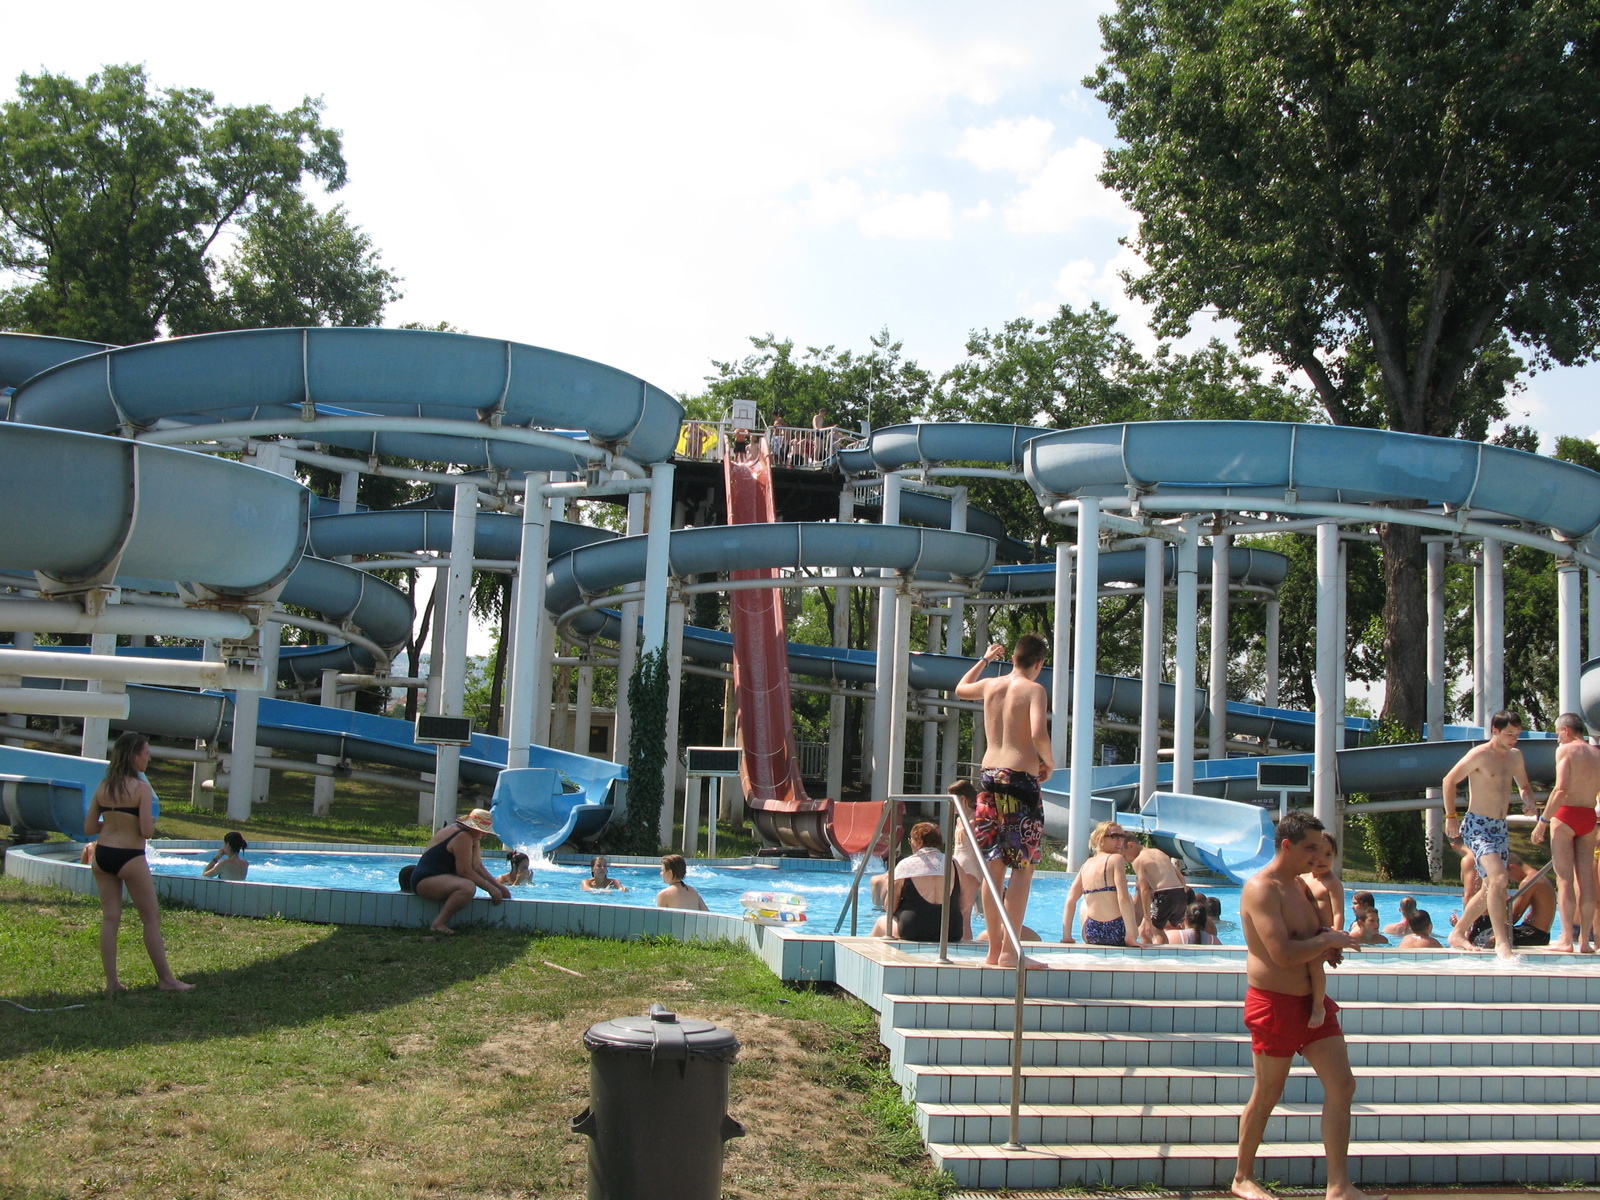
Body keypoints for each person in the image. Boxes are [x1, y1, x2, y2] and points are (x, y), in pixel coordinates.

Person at [1231, 810, 1371, 1200]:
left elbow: (1312, 937)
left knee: (1343, 1085)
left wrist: (1332, 942)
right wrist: (1325, 943)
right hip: (1274, 1004)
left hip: (1314, 1003)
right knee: (1268, 1094)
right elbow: (1282, 953)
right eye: (1310, 847)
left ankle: (1339, 1186)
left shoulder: (1302, 887)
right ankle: (1242, 1177)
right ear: (1287, 845)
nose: (1318, 855)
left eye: (1321, 848)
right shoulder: (1262, 888)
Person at [954, 634, 1054, 968]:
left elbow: (960, 688)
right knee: (1022, 869)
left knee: (992, 870)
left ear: (1012, 657)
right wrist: (1049, 762)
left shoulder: (991, 685)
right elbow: (1038, 732)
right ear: (1039, 663)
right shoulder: (1034, 689)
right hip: (1020, 784)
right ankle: (1011, 952)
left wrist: (984, 658)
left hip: (988, 779)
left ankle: (993, 953)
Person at [83, 732, 193, 994]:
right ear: (135, 756)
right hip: (130, 856)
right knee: (151, 918)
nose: (149, 758)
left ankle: (111, 983)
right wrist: (148, 823)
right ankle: (166, 979)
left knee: (110, 918)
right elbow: (145, 831)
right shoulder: (142, 788)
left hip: (103, 854)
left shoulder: (104, 786)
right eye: (146, 753)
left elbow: (88, 827)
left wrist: (113, 822)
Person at [1444, 710, 1538, 959]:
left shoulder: (1515, 757)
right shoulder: (1479, 755)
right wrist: (1451, 817)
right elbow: (1449, 780)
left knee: (1490, 888)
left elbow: (1525, 786)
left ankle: (1459, 932)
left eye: (1517, 735)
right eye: (1509, 734)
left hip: (1499, 827)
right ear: (1494, 731)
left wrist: (1528, 801)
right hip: (1477, 825)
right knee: (1498, 879)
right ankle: (1502, 943)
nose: (1513, 739)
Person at [1531, 712, 1600, 953]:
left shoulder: (1566, 751)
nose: (1558, 739)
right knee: (1587, 879)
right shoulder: (1597, 754)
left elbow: (1560, 789)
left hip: (1567, 814)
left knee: (1565, 879)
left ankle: (1567, 939)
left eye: (1558, 733)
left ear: (1567, 731)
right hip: (1589, 816)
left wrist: (1543, 821)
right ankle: (1585, 943)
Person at [409, 809, 512, 934]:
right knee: (467, 887)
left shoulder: (471, 837)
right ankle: (438, 923)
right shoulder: (462, 836)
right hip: (425, 881)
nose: (484, 836)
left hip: (434, 879)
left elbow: (478, 866)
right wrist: (491, 889)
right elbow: (465, 871)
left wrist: (499, 887)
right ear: (474, 828)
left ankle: (439, 923)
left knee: (468, 884)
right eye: (483, 831)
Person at [870, 822, 963, 942]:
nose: (910, 844)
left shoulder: (906, 865)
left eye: (911, 840)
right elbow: (965, 903)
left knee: (882, 921)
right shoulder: (954, 864)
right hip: (951, 931)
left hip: (913, 931)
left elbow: (890, 907)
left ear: (919, 842)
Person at [1060, 821, 1140, 947]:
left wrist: (1067, 936)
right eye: (1114, 836)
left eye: (1122, 836)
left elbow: (1070, 900)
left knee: (1084, 902)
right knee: (1128, 896)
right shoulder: (1116, 859)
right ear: (1100, 839)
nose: (1120, 841)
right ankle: (1130, 935)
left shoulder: (1086, 864)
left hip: (1092, 933)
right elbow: (1123, 898)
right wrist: (1131, 934)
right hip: (1117, 932)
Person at [1468, 855, 1555, 949]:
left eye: (1508, 876)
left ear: (1513, 867)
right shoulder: (1537, 876)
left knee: (1479, 938)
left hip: (1535, 935)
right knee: (1484, 931)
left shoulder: (1529, 882)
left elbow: (1514, 915)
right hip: (1538, 933)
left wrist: (1497, 934)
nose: (1510, 880)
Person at [1128, 834, 1188, 944]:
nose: (1125, 859)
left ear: (1131, 845)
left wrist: (1146, 918)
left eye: (1123, 855)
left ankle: (1160, 957)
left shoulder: (1138, 861)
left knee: (1154, 930)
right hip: (1180, 893)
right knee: (1143, 931)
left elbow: (1144, 890)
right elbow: (1180, 876)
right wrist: (1183, 894)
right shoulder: (1158, 852)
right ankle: (1151, 956)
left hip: (1164, 895)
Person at [946, 780, 985, 937]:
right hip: (960, 866)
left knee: (964, 912)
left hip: (970, 868)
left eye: (952, 800)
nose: (951, 805)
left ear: (962, 799)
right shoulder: (960, 820)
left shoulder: (974, 821)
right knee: (959, 911)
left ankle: (966, 944)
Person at [1299, 832, 1344, 930]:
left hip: (1326, 933)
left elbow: (1338, 913)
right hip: (1308, 933)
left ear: (1335, 856)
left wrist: (1337, 936)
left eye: (1328, 854)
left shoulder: (1332, 883)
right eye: (1317, 855)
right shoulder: (1303, 878)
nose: (1322, 860)